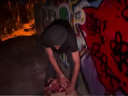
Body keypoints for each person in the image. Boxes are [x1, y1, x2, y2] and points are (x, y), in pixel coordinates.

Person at [41, 19, 80, 95]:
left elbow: (77, 63)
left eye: (59, 46)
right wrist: (61, 75)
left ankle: (74, 86)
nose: (57, 48)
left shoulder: (70, 38)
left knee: (72, 62)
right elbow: (51, 57)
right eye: (55, 46)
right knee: (52, 63)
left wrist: (72, 85)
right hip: (53, 39)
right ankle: (49, 84)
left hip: (67, 44)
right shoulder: (46, 37)